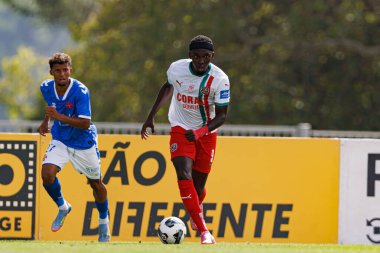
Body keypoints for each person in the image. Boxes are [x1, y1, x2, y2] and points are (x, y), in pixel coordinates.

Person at [141, 35, 230, 244]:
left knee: (198, 188)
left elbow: (222, 116)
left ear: (212, 56)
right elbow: (168, 87)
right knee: (183, 173)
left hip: (206, 134)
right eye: (196, 56)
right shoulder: (176, 69)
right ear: (190, 55)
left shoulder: (220, 79)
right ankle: (204, 231)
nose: (201, 61)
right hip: (180, 129)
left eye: (206, 56)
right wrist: (151, 116)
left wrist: (200, 132)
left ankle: (195, 211)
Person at [38, 52, 110, 242]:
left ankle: (104, 223)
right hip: (60, 139)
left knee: (96, 184)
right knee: (46, 174)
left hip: (83, 142)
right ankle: (63, 206)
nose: (62, 74)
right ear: (51, 72)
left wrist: (58, 117)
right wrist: (46, 122)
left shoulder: (81, 91)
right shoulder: (45, 87)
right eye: (57, 71)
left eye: (65, 70)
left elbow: (85, 123)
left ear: (70, 70)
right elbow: (50, 105)